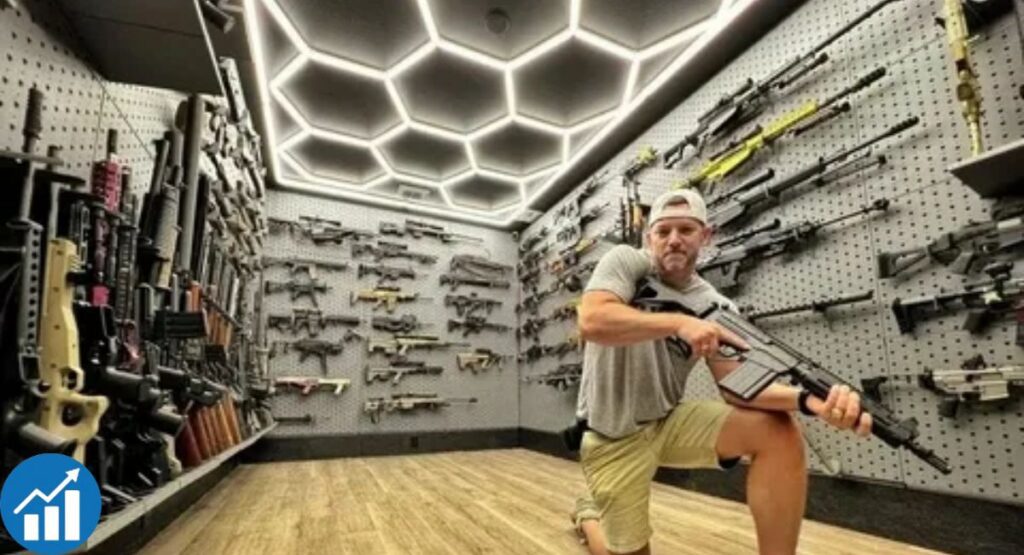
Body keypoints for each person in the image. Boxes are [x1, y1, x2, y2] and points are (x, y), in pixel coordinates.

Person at [571, 189, 873, 555]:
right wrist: (679, 323)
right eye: (663, 231)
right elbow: (593, 320)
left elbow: (736, 385)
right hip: (611, 436)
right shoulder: (625, 262)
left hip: (667, 422)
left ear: (706, 236)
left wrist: (812, 402)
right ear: (649, 237)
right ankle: (589, 518)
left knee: (777, 432)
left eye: (686, 230)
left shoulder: (717, 305)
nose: (674, 240)